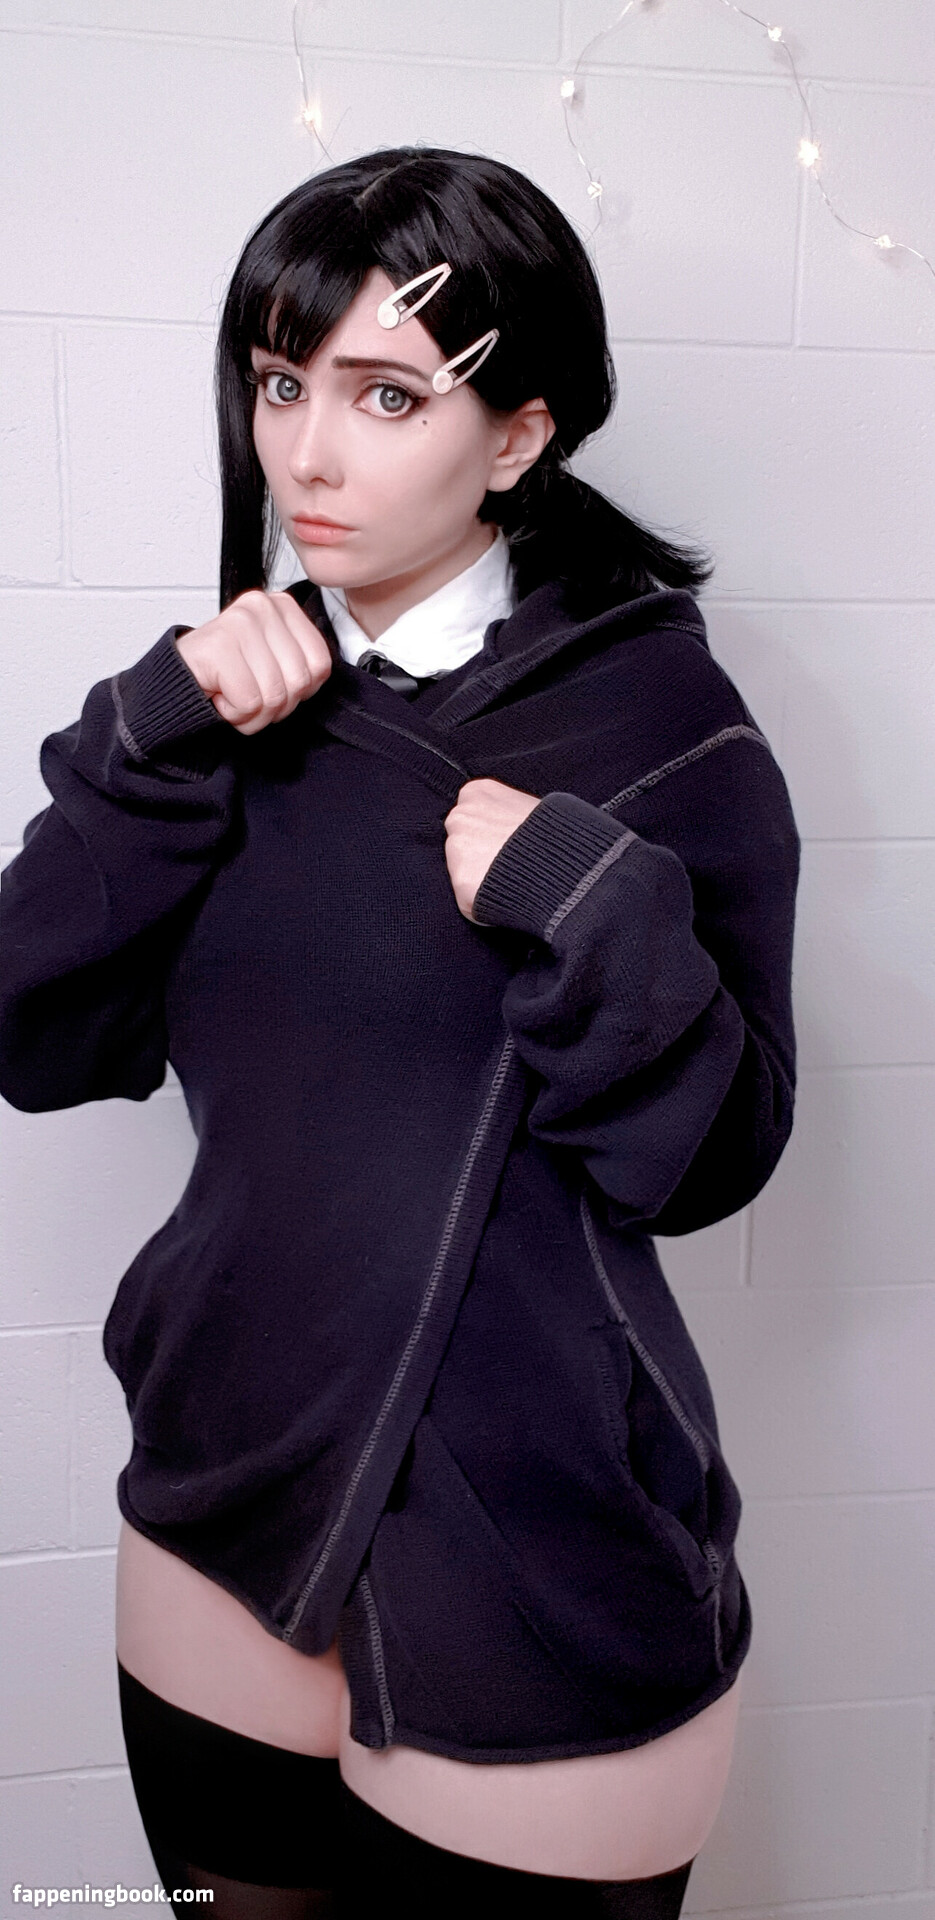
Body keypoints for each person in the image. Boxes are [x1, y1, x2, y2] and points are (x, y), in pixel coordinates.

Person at [0, 147, 800, 1918]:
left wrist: (581, 896)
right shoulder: (226, 698)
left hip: (536, 1527)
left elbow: (711, 1158)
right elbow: (30, 1032)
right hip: (223, 1490)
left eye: (385, 395)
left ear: (518, 435)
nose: (306, 455)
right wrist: (153, 732)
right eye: (281, 383)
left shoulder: (663, 725)